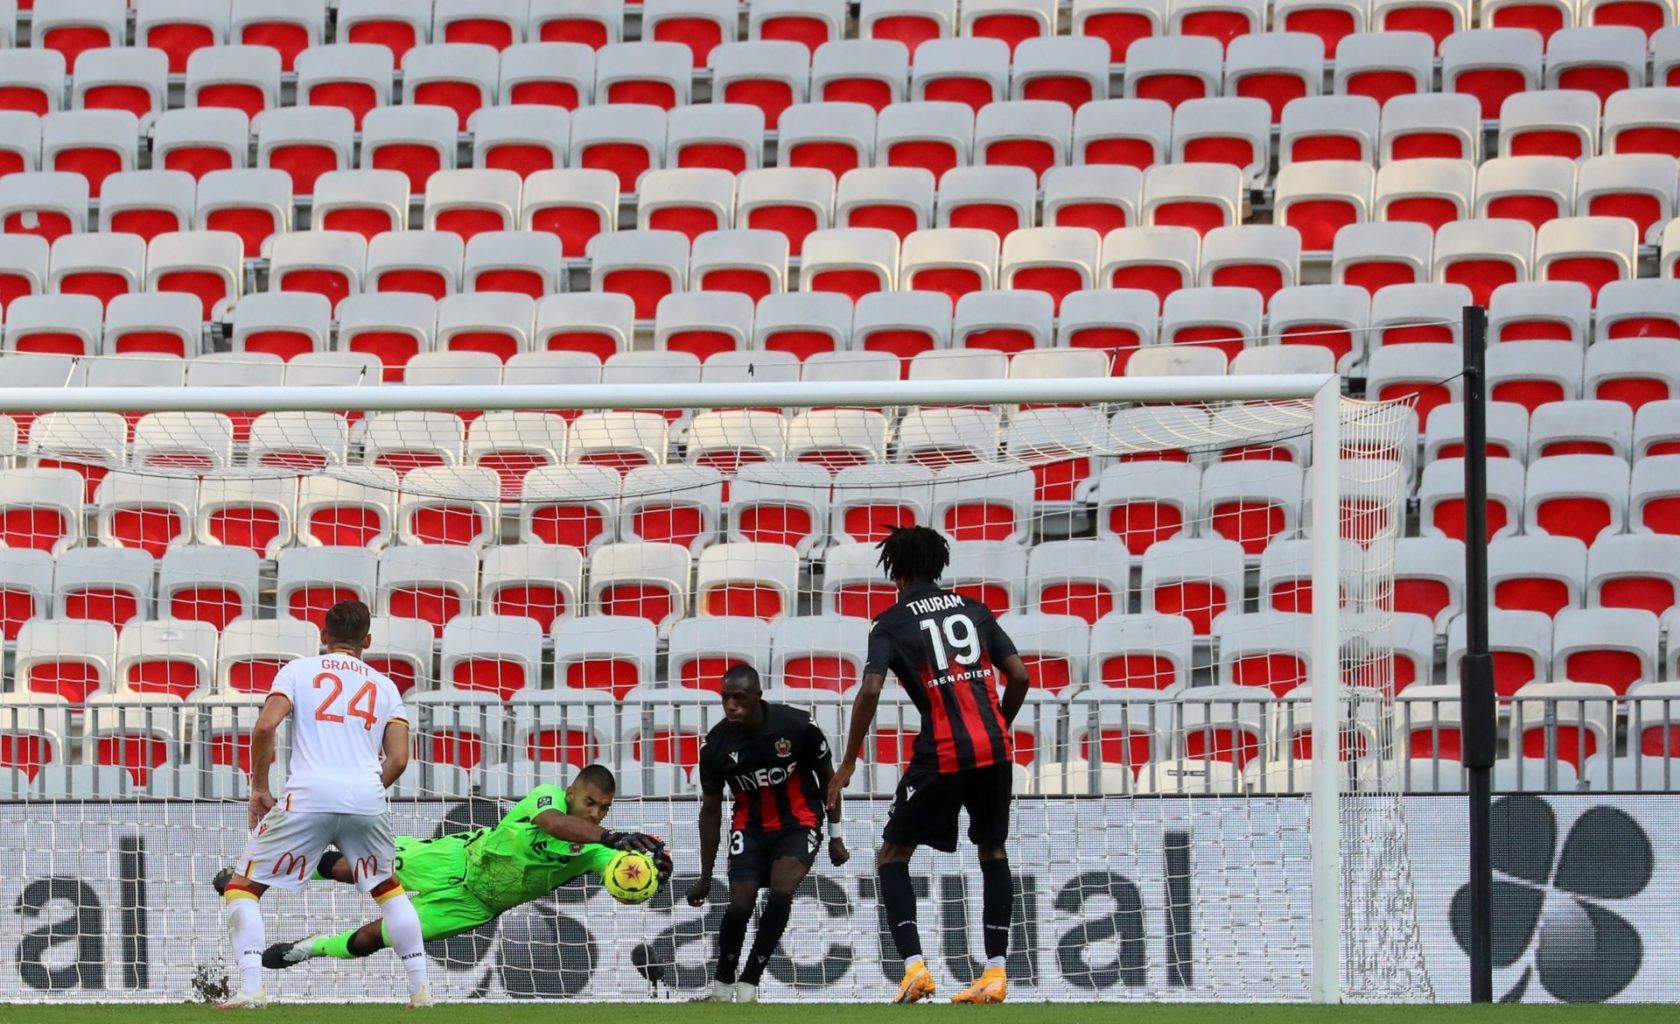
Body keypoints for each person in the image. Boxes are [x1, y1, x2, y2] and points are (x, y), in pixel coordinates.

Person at [825, 526, 1031, 1005]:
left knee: (892, 855)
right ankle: (995, 973)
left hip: (943, 751)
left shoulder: (891, 623)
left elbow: (871, 688)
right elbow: (1019, 676)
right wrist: (998, 724)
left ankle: (915, 968)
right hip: (995, 749)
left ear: (895, 571)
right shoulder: (976, 610)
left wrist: (848, 762)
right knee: (993, 850)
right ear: (939, 565)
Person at [226, 765, 672, 976]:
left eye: (603, 809)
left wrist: (650, 872)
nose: (595, 813)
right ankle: (249, 877)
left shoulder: (594, 851)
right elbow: (554, 825)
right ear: (572, 791)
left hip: (473, 905)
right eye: (590, 802)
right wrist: (611, 836)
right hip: (455, 858)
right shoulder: (548, 798)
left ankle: (309, 949)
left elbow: (623, 878)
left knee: (376, 937)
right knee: (351, 868)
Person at [216, 600, 429, 1009]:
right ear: (367, 640)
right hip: (366, 799)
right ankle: (421, 991)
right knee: (389, 890)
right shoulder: (385, 686)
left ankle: (252, 987)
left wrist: (259, 787)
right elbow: (400, 758)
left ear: (324, 635)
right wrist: (367, 790)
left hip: (309, 796)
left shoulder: (298, 671)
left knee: (243, 886)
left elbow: (265, 727)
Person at [688, 665, 849, 1004]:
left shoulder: (797, 726)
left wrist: (835, 835)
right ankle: (722, 987)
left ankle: (749, 983)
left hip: (799, 822)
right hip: (749, 828)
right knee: (739, 905)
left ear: (758, 697)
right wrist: (705, 876)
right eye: (725, 698)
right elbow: (711, 810)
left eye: (739, 698)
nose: (731, 705)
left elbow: (828, 778)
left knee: (781, 891)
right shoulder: (715, 747)